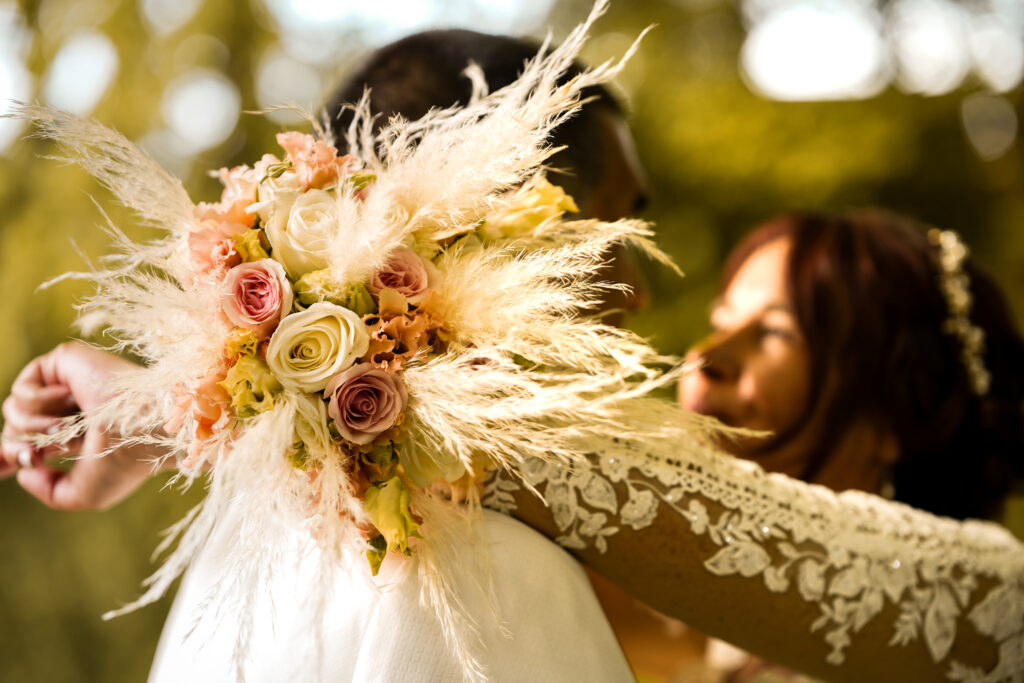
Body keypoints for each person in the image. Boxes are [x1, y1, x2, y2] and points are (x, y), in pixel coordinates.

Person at [6, 30, 1024, 683]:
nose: (661, 314)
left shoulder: (991, 599)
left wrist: (168, 403)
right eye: (609, 230)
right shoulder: (467, 550)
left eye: (775, 330)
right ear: (464, 236)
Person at [3, 28, 648, 683]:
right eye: (614, 227)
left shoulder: (241, 555)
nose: (641, 291)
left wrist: (174, 416)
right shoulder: (494, 573)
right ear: (501, 242)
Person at [580, 209, 1024, 680]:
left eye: (775, 332)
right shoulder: (712, 636)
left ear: (897, 416)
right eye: (721, 321)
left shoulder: (991, 598)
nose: (704, 357)